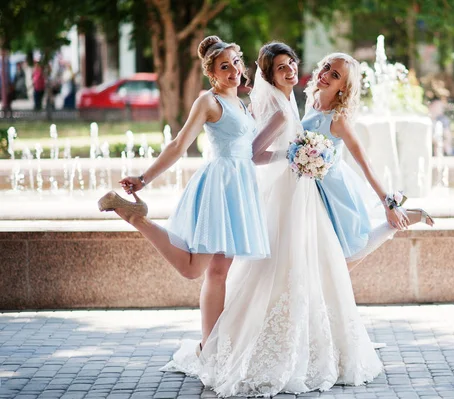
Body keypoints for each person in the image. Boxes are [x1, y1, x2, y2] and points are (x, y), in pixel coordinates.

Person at [161, 42, 386, 397]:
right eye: (281, 67)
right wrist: (294, 153)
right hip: (287, 193)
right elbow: (252, 153)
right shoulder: (283, 109)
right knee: (283, 265)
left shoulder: (295, 102)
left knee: (304, 264)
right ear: (269, 74)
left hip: (299, 192)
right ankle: (249, 346)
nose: (290, 70)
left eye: (292, 63)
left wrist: (303, 156)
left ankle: (290, 341)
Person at [97, 35, 270, 343]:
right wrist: (144, 178)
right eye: (224, 67)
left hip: (240, 188)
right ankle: (137, 217)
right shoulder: (209, 101)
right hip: (220, 186)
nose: (234, 71)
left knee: (218, 272)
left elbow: (251, 151)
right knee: (194, 269)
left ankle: (210, 346)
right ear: (212, 73)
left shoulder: (241, 104)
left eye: (236, 64)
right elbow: (178, 145)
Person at [302, 53, 434, 268]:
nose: (325, 75)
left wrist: (388, 203)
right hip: (310, 188)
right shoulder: (313, 101)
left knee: (343, 256)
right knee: (321, 257)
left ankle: (401, 220)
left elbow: (366, 164)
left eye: (334, 75)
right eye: (326, 67)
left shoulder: (338, 119)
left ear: (343, 87)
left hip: (333, 191)